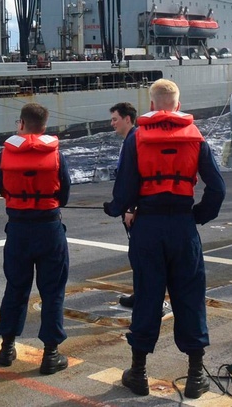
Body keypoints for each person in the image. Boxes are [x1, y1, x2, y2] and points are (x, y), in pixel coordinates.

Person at [104, 79, 225, 399]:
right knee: (190, 296)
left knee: (147, 297)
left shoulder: (137, 137)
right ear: (178, 105)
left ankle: (139, 373)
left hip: (148, 229)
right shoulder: (196, 138)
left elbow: (125, 189)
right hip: (183, 228)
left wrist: (115, 208)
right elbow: (218, 188)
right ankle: (196, 376)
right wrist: (198, 216)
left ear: (153, 105)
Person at [0, 103, 73, 375]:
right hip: (49, 230)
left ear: (21, 124)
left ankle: (7, 347)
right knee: (53, 292)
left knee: (16, 289)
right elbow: (63, 196)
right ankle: (51, 354)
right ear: (45, 127)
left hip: (18, 231)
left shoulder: (3, 156)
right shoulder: (57, 156)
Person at [109, 101, 138, 309]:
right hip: (132, 208)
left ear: (127, 119)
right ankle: (141, 292)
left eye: (115, 119)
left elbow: (137, 178)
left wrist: (130, 208)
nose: (112, 123)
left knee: (138, 254)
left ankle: (142, 295)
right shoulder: (132, 139)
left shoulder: (133, 141)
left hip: (134, 211)